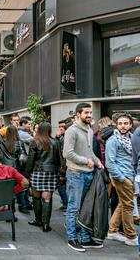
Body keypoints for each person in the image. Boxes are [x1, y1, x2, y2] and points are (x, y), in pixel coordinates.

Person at [63, 103, 104, 252]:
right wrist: (86, 161)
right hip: (75, 174)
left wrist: (97, 162)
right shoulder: (71, 131)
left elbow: (89, 152)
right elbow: (67, 153)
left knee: (86, 207)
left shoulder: (88, 130)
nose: (89, 115)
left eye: (90, 112)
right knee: (74, 208)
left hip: (88, 174)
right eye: (86, 112)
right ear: (78, 114)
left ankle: (85, 239)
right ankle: (72, 238)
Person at [106, 113, 138, 246]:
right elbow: (110, 163)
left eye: (125, 123)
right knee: (128, 206)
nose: (123, 126)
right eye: (120, 123)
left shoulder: (131, 138)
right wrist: (122, 178)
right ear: (116, 125)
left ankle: (112, 231)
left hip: (130, 176)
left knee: (122, 204)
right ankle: (131, 236)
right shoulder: (113, 140)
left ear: (131, 125)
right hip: (122, 177)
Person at [26, 122, 61, 232]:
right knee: (47, 199)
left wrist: (27, 174)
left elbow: (30, 160)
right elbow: (58, 159)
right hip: (51, 172)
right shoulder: (55, 142)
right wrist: (59, 172)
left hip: (37, 171)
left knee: (36, 197)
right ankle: (46, 224)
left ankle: (38, 220)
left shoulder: (35, 142)